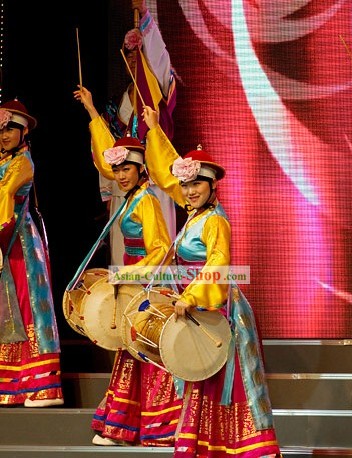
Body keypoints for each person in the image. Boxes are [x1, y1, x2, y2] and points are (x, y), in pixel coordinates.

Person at [142, 105, 282, 457]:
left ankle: (239, 447)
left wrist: (192, 297)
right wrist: (155, 129)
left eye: (196, 184)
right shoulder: (195, 214)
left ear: (211, 184)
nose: (189, 191)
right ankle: (205, 444)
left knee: (225, 380)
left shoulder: (214, 221)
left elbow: (218, 263)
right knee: (201, 377)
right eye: (186, 184)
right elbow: (163, 170)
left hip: (215, 307)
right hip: (195, 305)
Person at [87, 133, 182, 446]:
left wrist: (127, 274)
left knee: (147, 349)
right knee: (130, 351)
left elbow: (160, 249)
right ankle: (125, 424)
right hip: (134, 281)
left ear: (141, 169)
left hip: (149, 283)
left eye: (126, 169)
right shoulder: (132, 199)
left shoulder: (147, 201)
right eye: (117, 170)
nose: (121, 175)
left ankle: (159, 426)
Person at [73, 0, 177, 267]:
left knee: (157, 252)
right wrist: (107, 191)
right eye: (128, 56)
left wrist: (143, 17)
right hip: (124, 186)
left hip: (154, 183)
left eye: (137, 55)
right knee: (123, 257)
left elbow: (160, 56)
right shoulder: (118, 104)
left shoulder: (157, 92)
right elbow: (109, 147)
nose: (133, 61)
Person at [0, 99, 64, 408]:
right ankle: (12, 382)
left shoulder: (22, 163)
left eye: (11, 128)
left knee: (29, 308)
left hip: (20, 245)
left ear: (24, 131)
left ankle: (43, 385)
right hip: (4, 244)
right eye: (1, 128)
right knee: (8, 309)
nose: (5, 134)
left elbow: (5, 194)